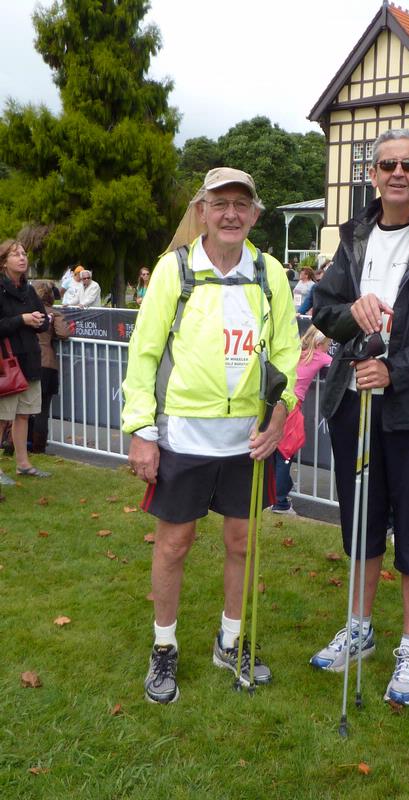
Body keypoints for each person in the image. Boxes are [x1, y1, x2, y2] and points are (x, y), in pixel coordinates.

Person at [122, 167, 299, 704]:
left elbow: (288, 353)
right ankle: (164, 647)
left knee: (241, 544)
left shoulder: (271, 274)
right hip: (182, 438)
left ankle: (231, 640)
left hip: (246, 441)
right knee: (174, 544)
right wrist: (141, 431)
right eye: (219, 203)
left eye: (240, 205)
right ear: (202, 210)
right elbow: (144, 353)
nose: (229, 214)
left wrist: (277, 417)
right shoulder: (173, 272)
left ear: (254, 214)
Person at [310, 128, 409, 706]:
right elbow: (324, 312)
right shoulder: (353, 235)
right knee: (361, 521)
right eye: (387, 164)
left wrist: (397, 369)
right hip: (352, 403)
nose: (397, 173)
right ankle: (360, 628)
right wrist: (352, 316)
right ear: (372, 174)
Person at [0, 240, 51, 481]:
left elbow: (45, 322)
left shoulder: (29, 290)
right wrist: (22, 319)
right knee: (2, 417)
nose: (22, 258)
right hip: (6, 364)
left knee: (23, 415)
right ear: (3, 262)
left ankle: (23, 464)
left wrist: (41, 320)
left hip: (30, 361)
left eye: (24, 254)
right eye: (15, 254)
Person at [269, 325, 332, 514]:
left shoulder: (297, 352)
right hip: (291, 406)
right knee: (285, 454)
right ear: (320, 343)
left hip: (275, 402)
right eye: (328, 344)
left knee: (276, 452)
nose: (329, 347)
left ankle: (277, 494)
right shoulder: (320, 357)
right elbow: (336, 363)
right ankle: (279, 502)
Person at [31, 280, 71, 453]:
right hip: (46, 363)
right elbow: (63, 333)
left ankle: (11, 443)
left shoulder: (27, 313)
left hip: (26, 362)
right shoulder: (54, 313)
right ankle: (38, 447)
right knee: (42, 408)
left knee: (19, 408)